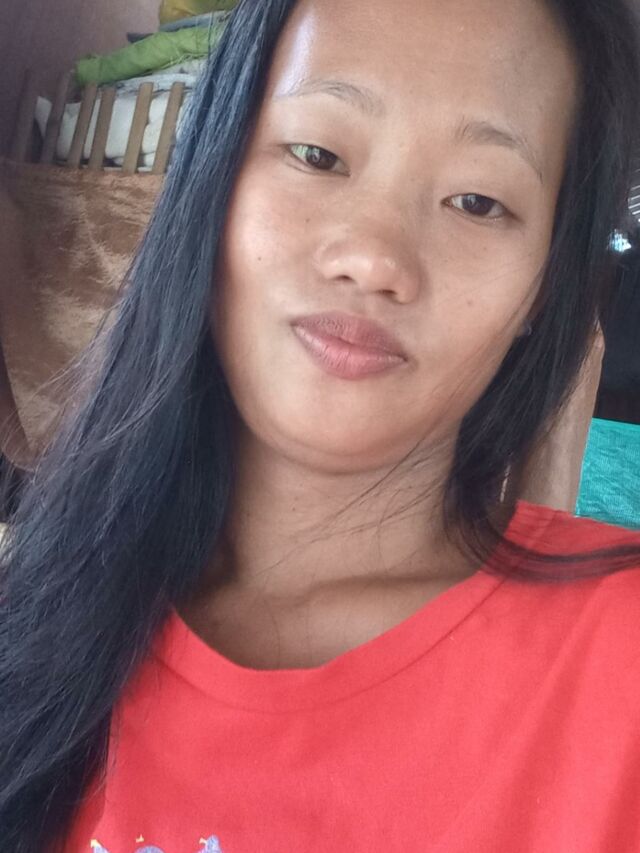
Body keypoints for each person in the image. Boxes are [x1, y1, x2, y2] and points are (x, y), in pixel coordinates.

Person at [2, 0, 640, 850]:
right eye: (318, 154)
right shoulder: (42, 612)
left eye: (478, 201)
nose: (375, 257)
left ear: (543, 288)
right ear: (215, 180)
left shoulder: (619, 666)